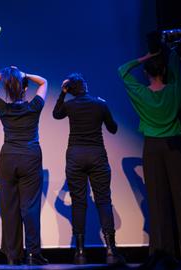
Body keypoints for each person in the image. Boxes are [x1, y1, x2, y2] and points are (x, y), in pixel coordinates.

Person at [118, 48, 181, 260]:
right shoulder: (174, 89)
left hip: (152, 147)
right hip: (175, 145)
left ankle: (160, 253)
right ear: (164, 70)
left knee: (157, 202)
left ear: (147, 72)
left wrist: (145, 57)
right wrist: (173, 53)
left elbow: (122, 71)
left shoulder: (141, 92)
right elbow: (177, 68)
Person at [52, 73, 124, 265]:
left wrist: (62, 93)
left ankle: (80, 252)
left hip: (75, 155)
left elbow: (56, 114)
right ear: (86, 86)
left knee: (78, 202)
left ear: (70, 89)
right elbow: (113, 129)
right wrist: (105, 110)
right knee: (103, 200)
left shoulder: (69, 104)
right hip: (97, 155)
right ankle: (111, 251)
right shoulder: (100, 104)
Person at [0, 66, 48, 265]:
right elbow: (44, 82)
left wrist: (8, 75)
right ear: (25, 89)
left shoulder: (3, 108)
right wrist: (23, 75)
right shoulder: (34, 106)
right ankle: (33, 254)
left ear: (8, 89)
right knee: (30, 208)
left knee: (9, 208)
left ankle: (13, 256)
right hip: (30, 156)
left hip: (9, 158)